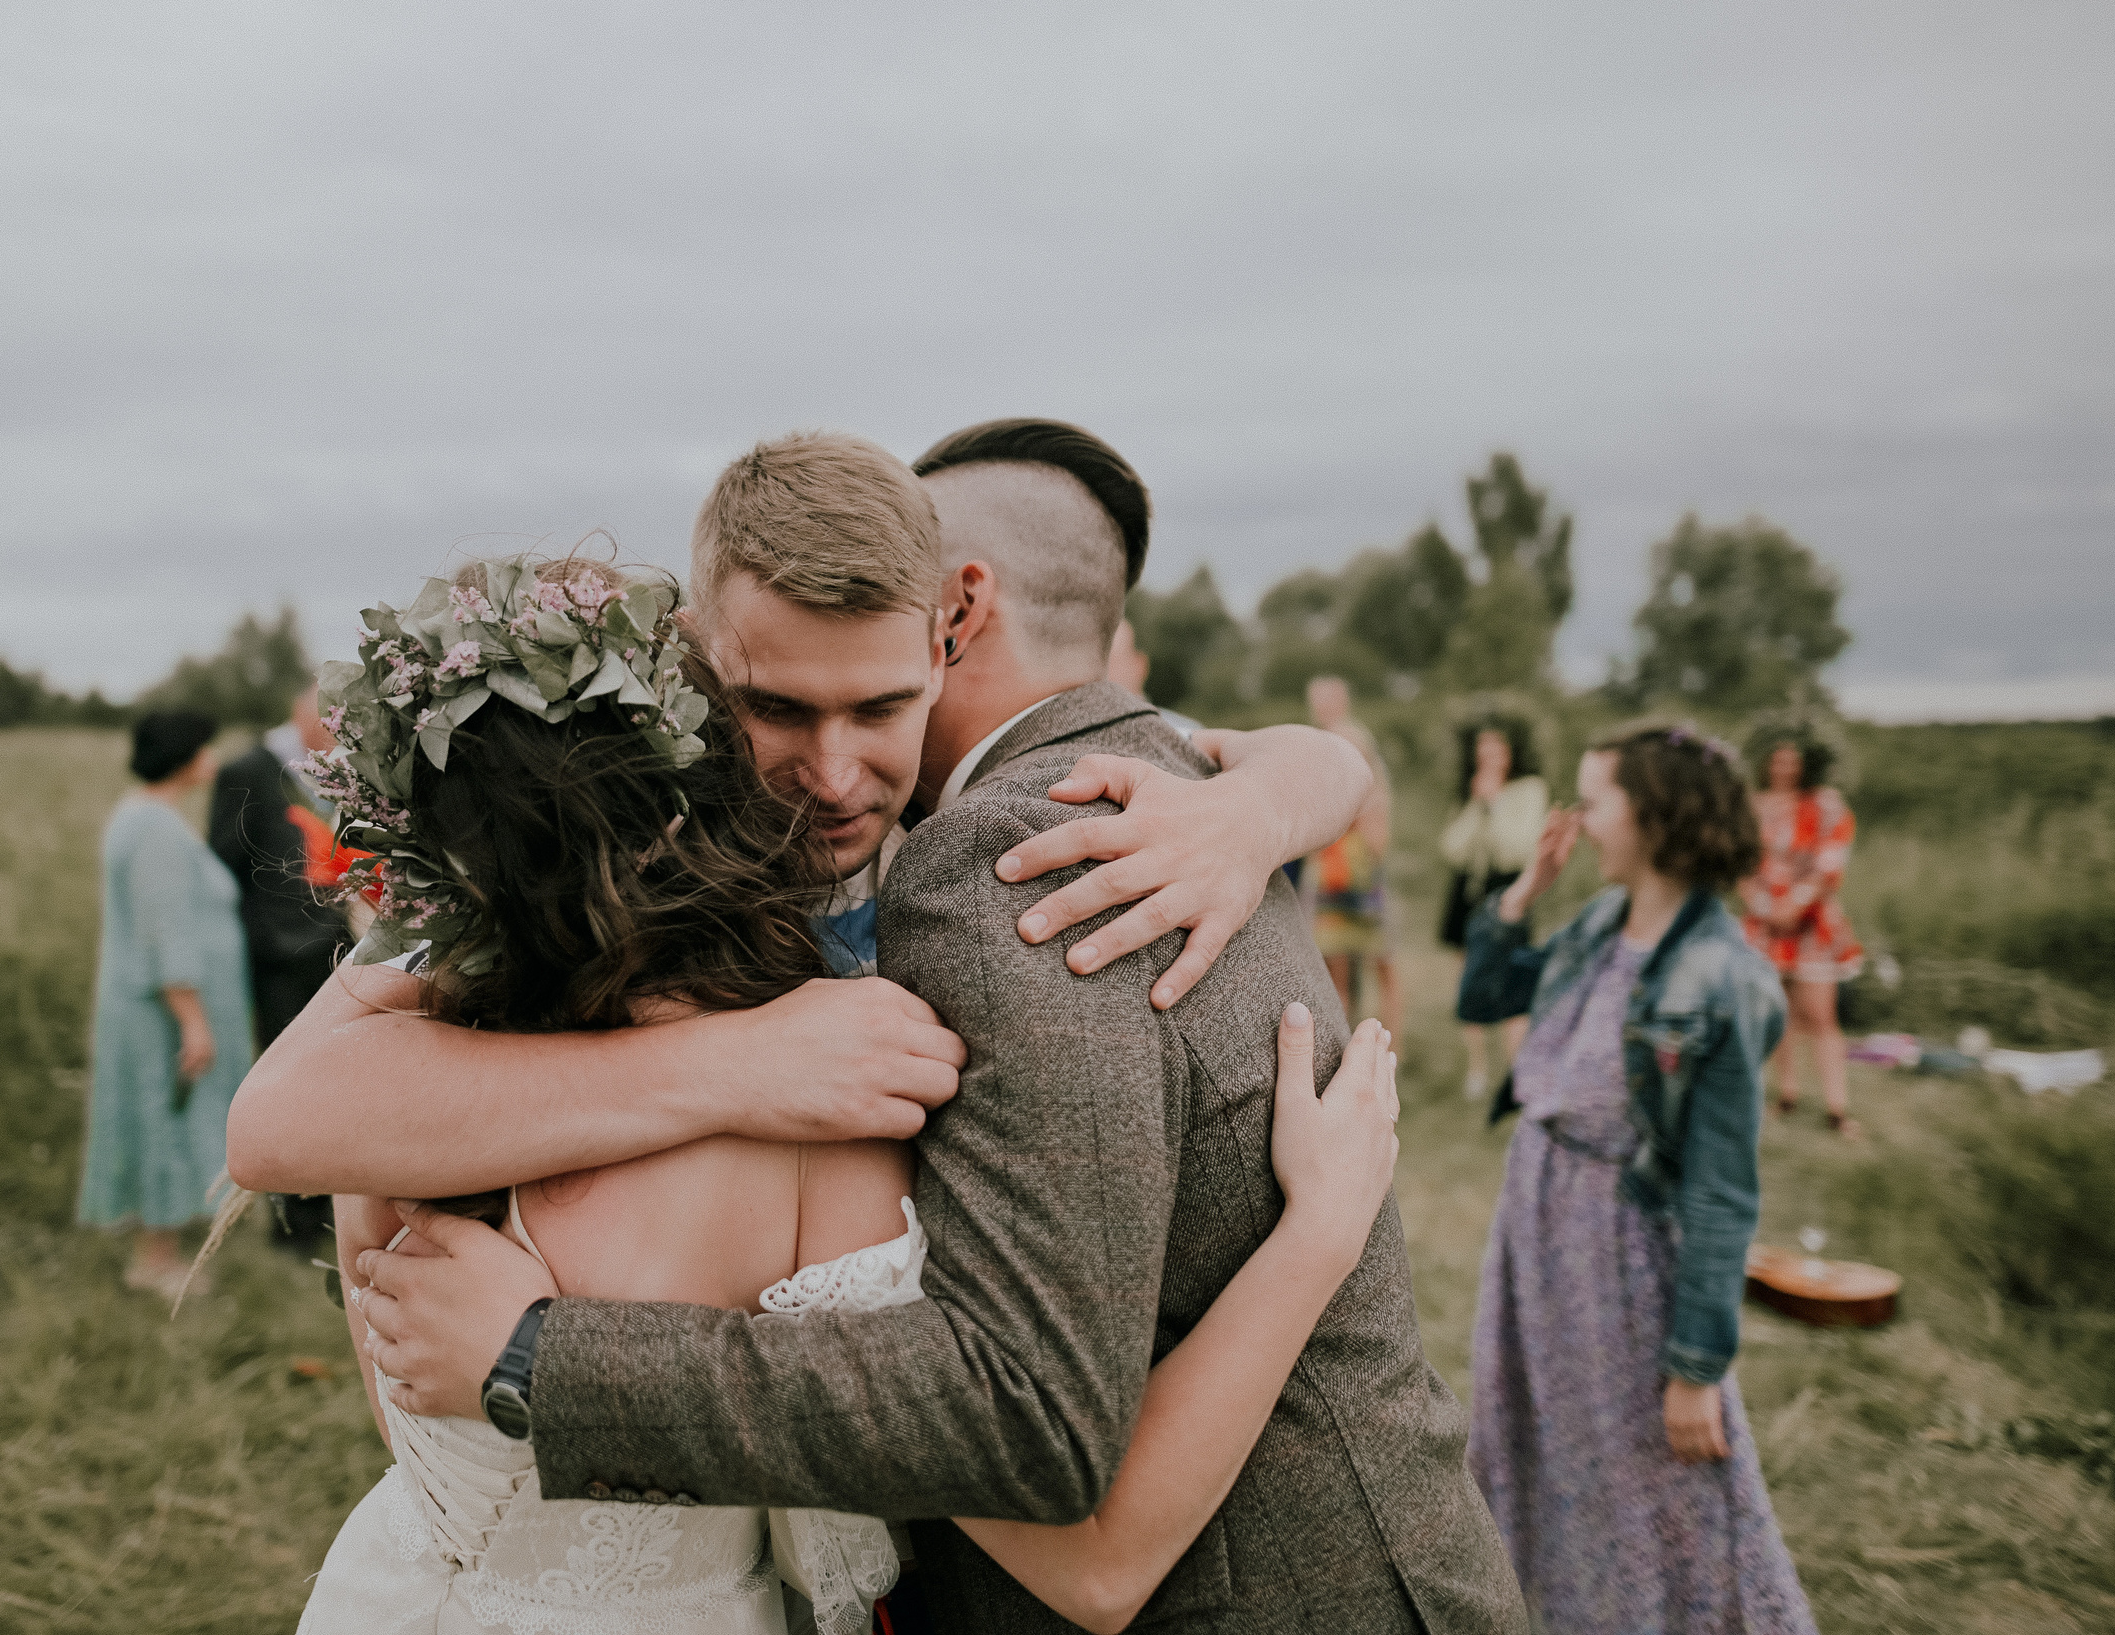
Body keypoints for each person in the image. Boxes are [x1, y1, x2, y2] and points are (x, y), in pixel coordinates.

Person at [274, 423, 1525, 1633]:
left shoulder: (1052, 835)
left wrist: (1276, 797)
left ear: (949, 627)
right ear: (696, 661)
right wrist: (729, 1065)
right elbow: (280, 1121)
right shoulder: (610, 883)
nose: (833, 772)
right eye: (776, 707)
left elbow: (1063, 1503)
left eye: (880, 706)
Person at [1457, 723, 1815, 1634]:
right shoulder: (1595, 927)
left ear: (1654, 818)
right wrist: (1525, 889)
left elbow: (1723, 1190)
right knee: (1547, 1460)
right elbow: (1484, 995)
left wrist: (1697, 1366)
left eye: (1597, 797)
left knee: (1655, 1487)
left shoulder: (1724, 976)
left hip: (1620, 1258)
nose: (1579, 816)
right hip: (1536, 1236)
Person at [77, 709, 258, 1300]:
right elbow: (165, 934)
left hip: (156, 1007)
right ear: (186, 756)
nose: (213, 756)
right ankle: (158, 1262)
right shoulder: (154, 828)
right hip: (161, 1013)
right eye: (206, 745)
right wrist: (193, 1021)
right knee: (165, 1119)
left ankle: (156, 1255)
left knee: (165, 1117)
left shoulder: (148, 818)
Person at [209, 683, 355, 1241]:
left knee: (331, 1080)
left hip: (332, 946)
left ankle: (329, 1210)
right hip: (275, 950)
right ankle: (291, 1223)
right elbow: (223, 860)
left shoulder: (341, 768)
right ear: (302, 715)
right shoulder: (248, 770)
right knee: (282, 1081)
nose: (341, 729)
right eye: (332, 718)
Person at [1741, 715, 1865, 1139]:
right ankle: (1787, 1093)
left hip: (1811, 922)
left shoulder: (1824, 804)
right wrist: (1763, 905)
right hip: (1764, 921)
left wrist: (1795, 902)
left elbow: (1831, 861)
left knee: (1820, 1015)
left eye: (1792, 761)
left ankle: (1837, 1107)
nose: (1784, 768)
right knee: (1778, 1013)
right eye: (1777, 760)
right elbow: (1741, 863)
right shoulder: (1751, 806)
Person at [1438, 707, 1547, 1098]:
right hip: (1468, 890)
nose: (1489, 752)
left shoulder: (1529, 790)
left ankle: (1517, 1069)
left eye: (1496, 744)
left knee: (1510, 978)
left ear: (1511, 750)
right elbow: (1452, 848)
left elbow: (1515, 850)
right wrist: (1476, 804)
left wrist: (1496, 803)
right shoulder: (1470, 789)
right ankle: (1477, 1069)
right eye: (1483, 744)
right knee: (1468, 978)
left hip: (1509, 889)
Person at [1307, 674, 1402, 1037]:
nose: (1320, 707)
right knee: (1335, 972)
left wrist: (1359, 817)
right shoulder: (1319, 745)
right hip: (1332, 884)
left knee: (1383, 965)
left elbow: (1379, 842)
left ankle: (1393, 1043)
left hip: (1364, 884)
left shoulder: (1354, 740)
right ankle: (1344, 1040)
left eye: (1325, 699)